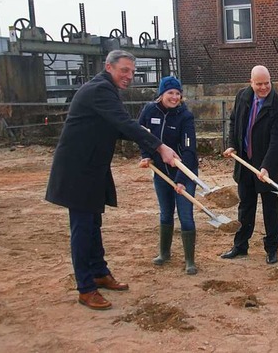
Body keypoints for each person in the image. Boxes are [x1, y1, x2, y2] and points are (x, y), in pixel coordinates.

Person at [45, 50, 179, 310]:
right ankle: (86, 288)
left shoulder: (107, 90)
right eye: (124, 70)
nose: (129, 76)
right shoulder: (100, 90)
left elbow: (118, 127)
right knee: (82, 229)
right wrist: (159, 147)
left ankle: (99, 272)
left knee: (93, 224)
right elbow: (122, 122)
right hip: (78, 170)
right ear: (109, 67)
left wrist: (151, 139)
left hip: (93, 167)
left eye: (132, 71)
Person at [221, 65, 278, 265]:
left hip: (268, 167)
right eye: (259, 84)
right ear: (251, 82)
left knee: (270, 209)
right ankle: (240, 245)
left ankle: (272, 248)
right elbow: (234, 122)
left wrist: (266, 166)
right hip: (245, 164)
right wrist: (232, 144)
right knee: (246, 206)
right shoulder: (242, 96)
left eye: (266, 83)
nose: (263, 87)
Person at [138, 76, 199, 274]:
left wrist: (182, 180)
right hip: (160, 173)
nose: (174, 97)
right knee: (166, 213)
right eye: (170, 93)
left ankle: (190, 260)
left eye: (177, 93)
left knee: (185, 216)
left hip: (184, 172)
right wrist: (146, 156)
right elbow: (142, 135)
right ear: (161, 94)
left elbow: (189, 150)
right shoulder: (149, 111)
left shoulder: (185, 116)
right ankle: (164, 253)